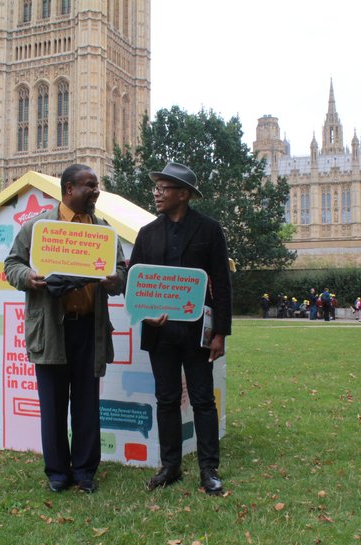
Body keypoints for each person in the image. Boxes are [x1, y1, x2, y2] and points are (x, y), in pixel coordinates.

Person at [4, 164, 127, 494]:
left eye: (97, 185)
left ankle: (85, 472)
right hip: (51, 332)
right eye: (90, 185)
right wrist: (27, 277)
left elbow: (120, 274)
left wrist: (117, 279)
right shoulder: (38, 228)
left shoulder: (103, 230)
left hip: (90, 330)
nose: (96, 191)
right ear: (69, 189)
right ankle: (58, 472)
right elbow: (11, 264)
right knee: (53, 406)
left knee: (87, 405)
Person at [130, 161, 232, 496]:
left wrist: (220, 333)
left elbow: (221, 283)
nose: (157, 194)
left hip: (197, 333)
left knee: (203, 400)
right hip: (161, 334)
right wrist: (144, 314)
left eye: (164, 188)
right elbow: (136, 284)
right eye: (156, 188)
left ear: (183, 194)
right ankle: (170, 466)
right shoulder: (146, 234)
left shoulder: (209, 230)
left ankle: (208, 469)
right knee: (166, 399)